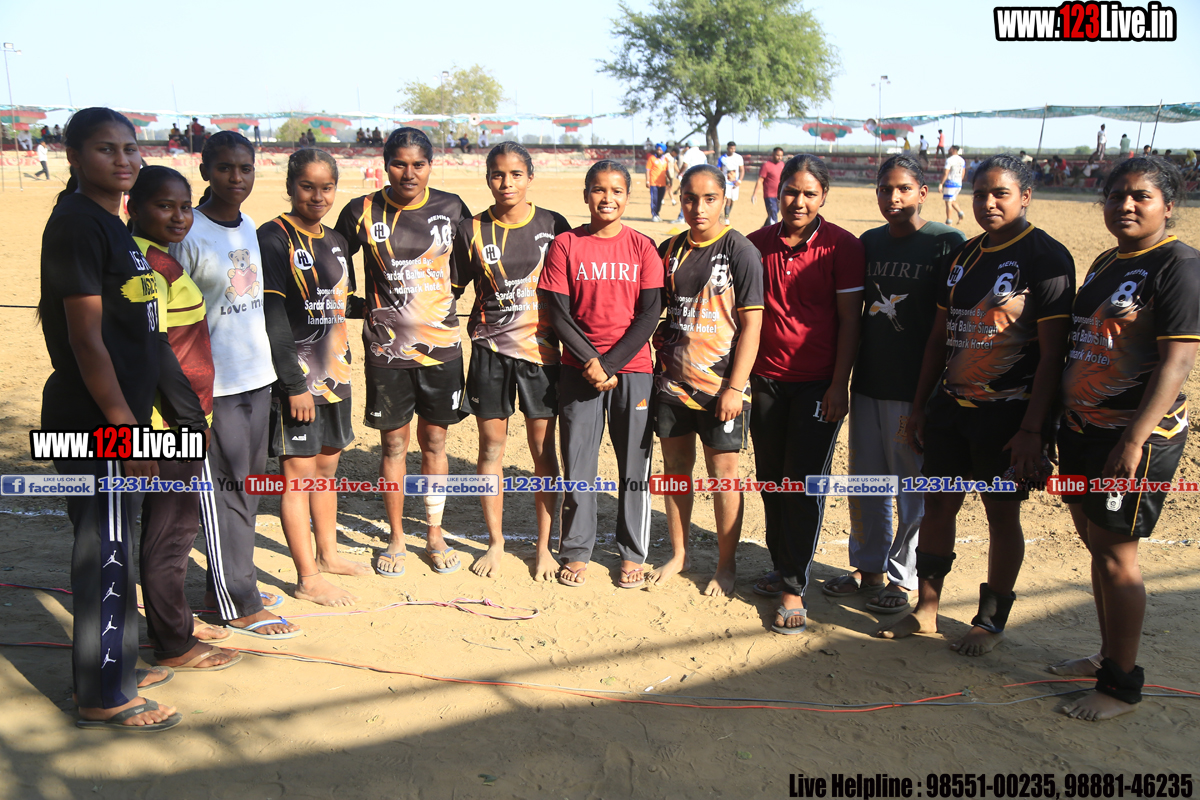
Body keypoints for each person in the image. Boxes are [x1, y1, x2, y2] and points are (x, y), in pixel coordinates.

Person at [877, 154, 1075, 655]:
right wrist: (920, 406)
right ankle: (926, 610)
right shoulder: (963, 256)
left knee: (1000, 516)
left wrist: (1033, 430)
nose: (988, 202)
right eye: (981, 193)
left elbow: (1053, 355)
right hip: (951, 408)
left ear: (1025, 196)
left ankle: (989, 622)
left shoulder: (1047, 258)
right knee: (938, 505)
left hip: (1008, 417)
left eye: (1001, 193)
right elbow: (938, 339)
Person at [39, 108, 183, 731]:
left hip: (116, 418)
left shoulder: (110, 223)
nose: (124, 159)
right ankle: (104, 695)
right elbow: (86, 340)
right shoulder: (77, 224)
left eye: (130, 148)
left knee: (116, 543)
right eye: (106, 149)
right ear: (73, 156)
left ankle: (115, 664)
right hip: (94, 421)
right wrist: (127, 428)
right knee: (104, 552)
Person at [1052, 157, 1199, 720]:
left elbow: (1177, 363)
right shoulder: (1108, 261)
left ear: (1168, 205)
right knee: (1096, 542)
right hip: (1083, 429)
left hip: (1134, 438)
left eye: (1141, 196)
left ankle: (1120, 686)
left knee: (1117, 555)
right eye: (1116, 195)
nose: (1126, 205)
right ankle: (1106, 654)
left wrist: (1135, 440)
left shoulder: (1179, 266)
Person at [170, 131, 300, 641]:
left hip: (256, 379)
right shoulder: (188, 233)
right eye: (225, 168)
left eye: (245, 168)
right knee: (224, 492)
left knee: (247, 490)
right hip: (214, 388)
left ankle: (225, 586)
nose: (236, 177)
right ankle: (239, 603)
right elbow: (173, 321)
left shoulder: (247, 225)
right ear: (205, 171)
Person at [827, 155, 966, 614]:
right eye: (886, 189)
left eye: (904, 188)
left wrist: (932, 394)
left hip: (915, 390)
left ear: (923, 192)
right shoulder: (869, 242)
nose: (894, 197)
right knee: (866, 483)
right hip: (869, 382)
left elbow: (950, 323)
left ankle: (901, 578)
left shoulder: (946, 243)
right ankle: (868, 567)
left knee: (912, 490)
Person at [335, 127, 472, 577]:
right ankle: (395, 537)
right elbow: (333, 259)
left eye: (418, 164)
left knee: (435, 442)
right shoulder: (361, 211)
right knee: (394, 444)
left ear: (431, 165)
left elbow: (467, 263)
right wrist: (358, 306)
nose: (408, 173)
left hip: (442, 349)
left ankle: (434, 533)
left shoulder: (452, 208)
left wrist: (440, 302)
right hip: (387, 353)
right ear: (385, 164)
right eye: (399, 164)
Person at [128, 165, 240, 672]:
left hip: (178, 417)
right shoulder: (146, 269)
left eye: (185, 206)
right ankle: (174, 644)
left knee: (168, 530)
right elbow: (156, 354)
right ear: (134, 208)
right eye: (164, 206)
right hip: (168, 425)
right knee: (171, 535)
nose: (178, 217)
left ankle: (173, 623)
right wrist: (191, 422)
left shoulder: (157, 258)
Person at [747, 154, 865, 634]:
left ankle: (794, 587)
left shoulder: (843, 247)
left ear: (823, 197)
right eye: (791, 191)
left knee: (802, 484)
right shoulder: (755, 245)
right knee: (771, 479)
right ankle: (781, 565)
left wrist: (839, 385)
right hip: (766, 382)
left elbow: (850, 322)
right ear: (778, 192)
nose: (798, 201)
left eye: (809, 193)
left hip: (818, 385)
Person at [538, 160, 664, 588]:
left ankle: (631, 552)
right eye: (598, 189)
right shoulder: (565, 245)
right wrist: (591, 361)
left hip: (633, 371)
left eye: (616, 190)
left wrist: (609, 364)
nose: (607, 198)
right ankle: (577, 549)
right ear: (586, 194)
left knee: (634, 466)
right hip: (578, 371)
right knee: (578, 464)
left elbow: (650, 312)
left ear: (628, 196)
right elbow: (558, 312)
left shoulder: (643, 247)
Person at [453, 142, 570, 580]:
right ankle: (496, 542)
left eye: (516, 174)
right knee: (491, 448)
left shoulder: (553, 225)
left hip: (542, 355)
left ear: (530, 177)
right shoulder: (471, 229)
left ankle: (544, 546)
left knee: (543, 451)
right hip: (489, 353)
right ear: (488, 178)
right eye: (498, 174)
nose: (507, 183)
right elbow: (450, 289)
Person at [647, 164, 763, 595]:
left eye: (709, 198)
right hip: (672, 384)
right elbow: (655, 311)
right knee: (676, 469)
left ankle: (725, 565)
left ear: (724, 199)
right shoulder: (670, 249)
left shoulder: (740, 251)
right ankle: (679, 554)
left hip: (720, 389)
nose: (699, 207)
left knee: (723, 475)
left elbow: (752, 326)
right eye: (690, 198)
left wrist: (735, 387)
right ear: (680, 199)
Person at [260, 148, 368, 607]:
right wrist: (293, 385)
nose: (318, 196)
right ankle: (307, 578)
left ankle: (328, 555)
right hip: (298, 383)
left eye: (327, 188)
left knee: (326, 470)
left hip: (336, 375)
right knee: (298, 478)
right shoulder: (274, 237)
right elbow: (272, 316)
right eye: (307, 186)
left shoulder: (337, 241)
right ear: (290, 186)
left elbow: (338, 302)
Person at [750, 147, 785, 228]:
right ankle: (775, 231)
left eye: (781, 156)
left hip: (779, 194)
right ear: (773, 154)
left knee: (773, 213)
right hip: (769, 195)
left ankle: (763, 229)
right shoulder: (766, 166)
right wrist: (755, 194)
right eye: (778, 155)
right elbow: (760, 180)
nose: (779, 157)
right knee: (773, 213)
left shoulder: (782, 165)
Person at [717, 142, 744, 225]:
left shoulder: (738, 157)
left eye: (734, 148)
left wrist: (739, 180)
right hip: (726, 183)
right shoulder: (722, 158)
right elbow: (719, 170)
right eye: (731, 148)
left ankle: (727, 214)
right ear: (727, 148)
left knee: (732, 200)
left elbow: (742, 170)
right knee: (728, 200)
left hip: (735, 183)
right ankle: (726, 218)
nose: (733, 150)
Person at [940, 145, 966, 225]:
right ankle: (960, 213)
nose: (948, 150)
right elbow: (963, 172)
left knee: (948, 202)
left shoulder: (950, 160)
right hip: (958, 183)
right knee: (952, 200)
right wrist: (960, 181)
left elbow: (946, 172)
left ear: (954, 150)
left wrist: (941, 183)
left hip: (950, 183)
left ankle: (949, 221)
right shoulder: (962, 160)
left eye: (950, 149)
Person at [645, 143, 668, 222]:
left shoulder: (665, 159)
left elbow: (667, 171)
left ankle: (657, 214)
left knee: (660, 200)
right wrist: (647, 181)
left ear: (663, 151)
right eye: (658, 149)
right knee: (654, 199)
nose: (659, 151)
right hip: (653, 183)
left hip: (663, 183)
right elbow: (648, 170)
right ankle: (654, 215)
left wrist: (669, 180)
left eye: (660, 150)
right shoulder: (652, 158)